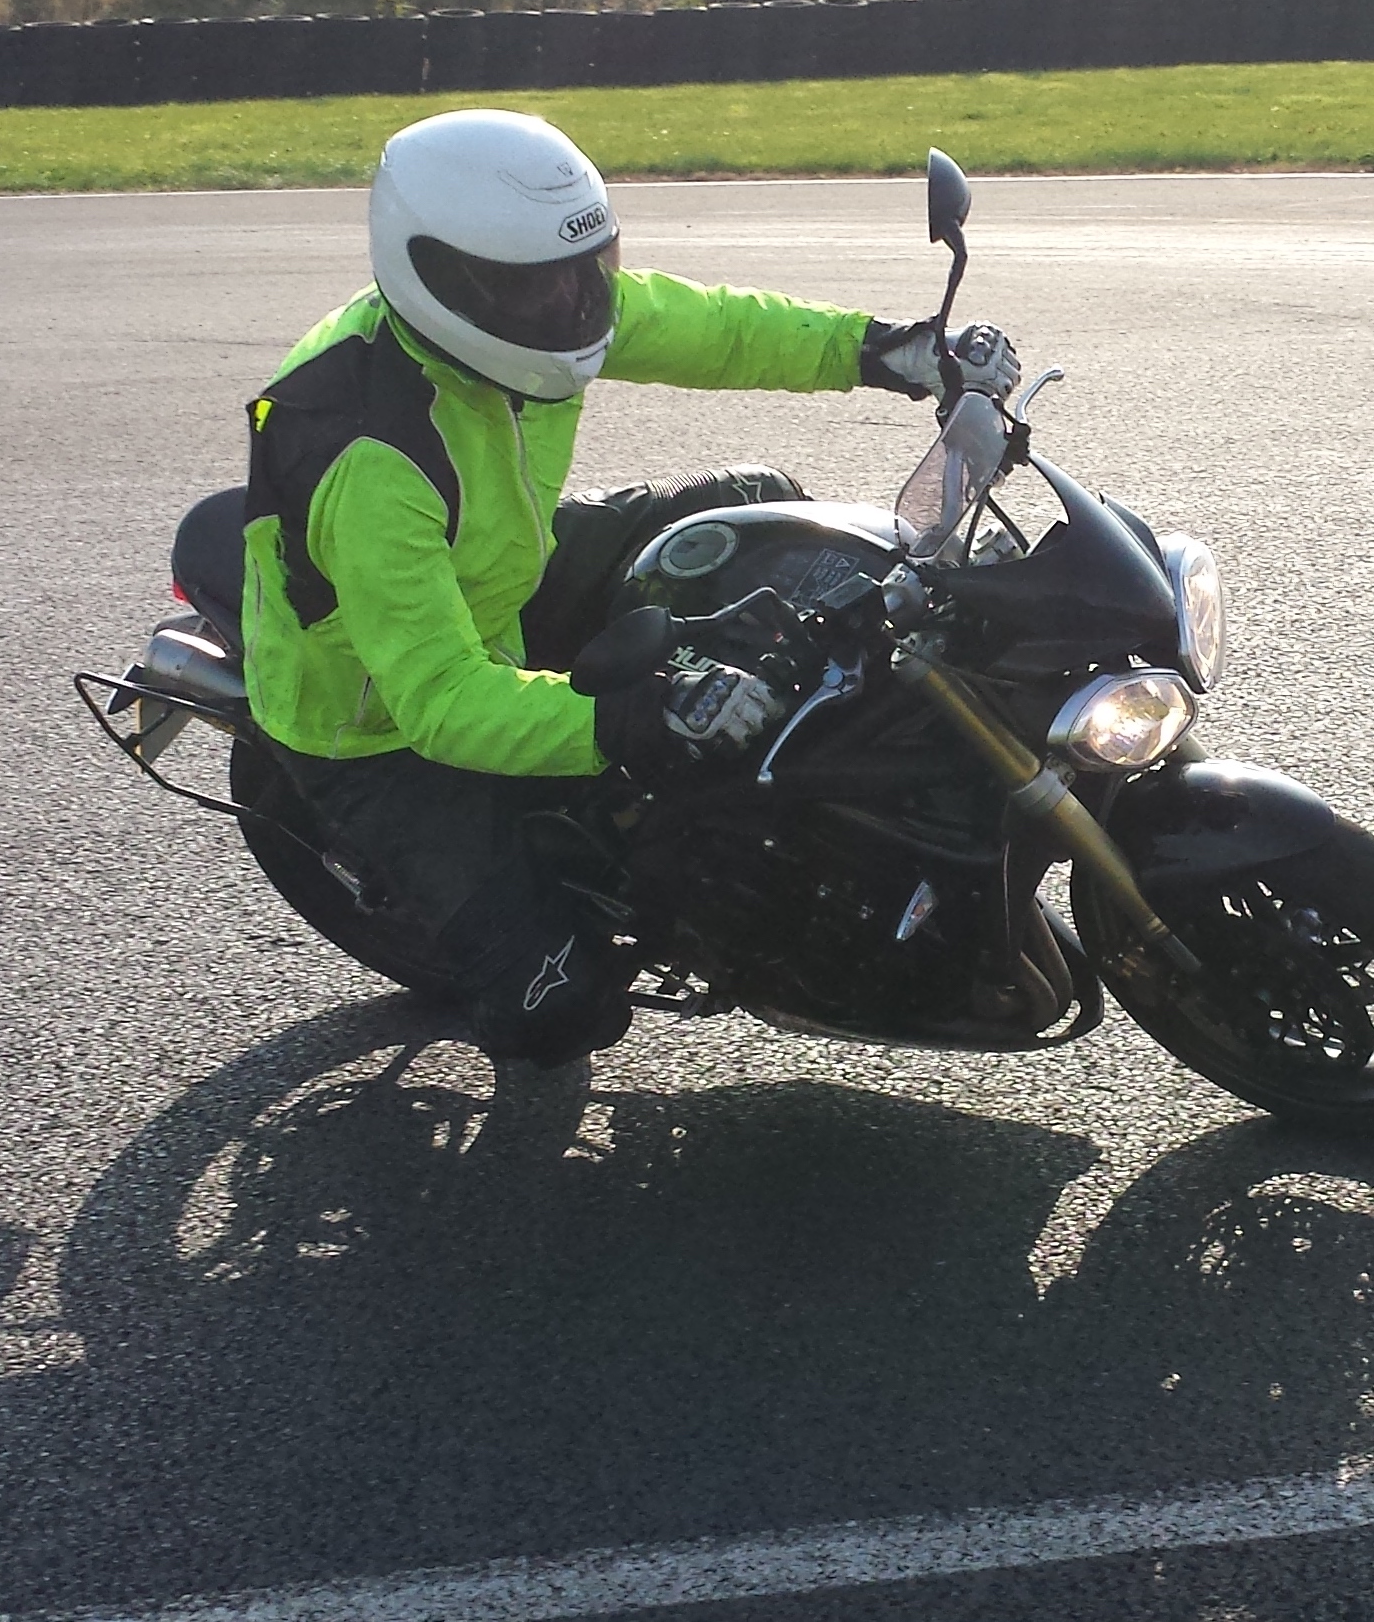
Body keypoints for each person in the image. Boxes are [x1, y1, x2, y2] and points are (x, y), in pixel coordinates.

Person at [241, 109, 1019, 1148]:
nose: (575, 301)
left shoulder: (540, 315)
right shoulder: (371, 460)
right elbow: (440, 700)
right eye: (536, 284)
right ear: (443, 277)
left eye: (587, 268)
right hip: (371, 718)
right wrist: (627, 720)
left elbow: (707, 324)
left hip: (496, 567)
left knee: (764, 510)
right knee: (565, 1007)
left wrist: (888, 352)